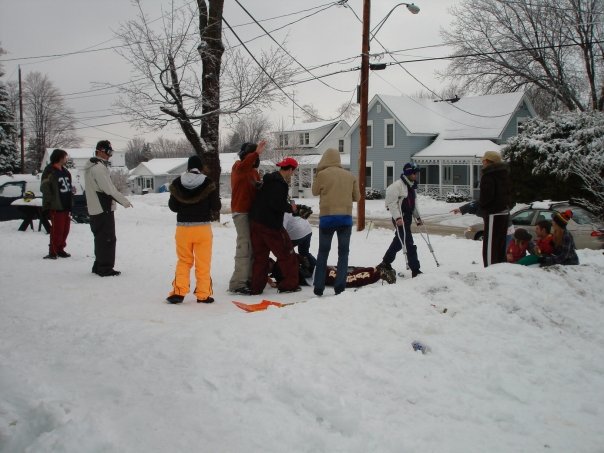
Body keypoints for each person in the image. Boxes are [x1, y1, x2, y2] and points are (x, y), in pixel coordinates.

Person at [166, 156, 221, 304]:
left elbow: (173, 207)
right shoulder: (208, 183)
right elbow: (216, 206)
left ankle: (178, 292)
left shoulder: (177, 182)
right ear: (201, 167)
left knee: (184, 260)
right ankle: (203, 295)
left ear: (188, 167)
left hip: (183, 228)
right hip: (202, 228)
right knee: (203, 262)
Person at [311, 148, 360, 296]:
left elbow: (314, 191)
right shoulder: (350, 176)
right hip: (345, 218)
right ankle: (340, 287)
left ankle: (319, 287)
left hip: (327, 218)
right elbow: (357, 197)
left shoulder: (322, 174)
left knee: (323, 252)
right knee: (343, 253)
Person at [249, 157, 300, 295]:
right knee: (287, 253)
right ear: (290, 169)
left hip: (256, 223)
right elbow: (276, 204)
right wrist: (291, 209)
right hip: (271, 226)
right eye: (293, 171)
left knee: (260, 257)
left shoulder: (268, 180)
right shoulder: (280, 184)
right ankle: (289, 285)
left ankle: (256, 287)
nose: (292, 174)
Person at [451, 150, 511, 267]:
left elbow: (485, 199)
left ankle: (490, 269)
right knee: (500, 244)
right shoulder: (505, 175)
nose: (482, 162)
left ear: (488, 161)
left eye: (483, 160)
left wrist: (480, 210)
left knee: (490, 245)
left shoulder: (488, 176)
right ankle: (501, 268)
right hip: (504, 213)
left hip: (493, 215)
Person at [84, 140, 133, 277]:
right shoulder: (98, 168)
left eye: (111, 152)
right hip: (102, 208)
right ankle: (105, 268)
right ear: (99, 150)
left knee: (100, 238)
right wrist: (124, 201)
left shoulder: (92, 166)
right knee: (107, 238)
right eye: (108, 152)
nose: (109, 155)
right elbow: (109, 189)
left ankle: (98, 265)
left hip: (96, 208)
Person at [228, 140, 266, 295]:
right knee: (244, 246)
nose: (255, 158)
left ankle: (249, 278)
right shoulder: (238, 166)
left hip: (252, 213)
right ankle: (237, 283)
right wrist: (256, 152)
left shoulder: (254, 172)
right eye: (252, 155)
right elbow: (245, 165)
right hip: (241, 212)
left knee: (253, 246)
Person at [377, 162, 423, 278]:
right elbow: (391, 204)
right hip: (399, 217)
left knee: (399, 241)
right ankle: (415, 270)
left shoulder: (411, 186)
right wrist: (397, 217)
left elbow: (413, 204)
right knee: (409, 243)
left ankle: (385, 262)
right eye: (414, 173)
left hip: (407, 217)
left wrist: (417, 217)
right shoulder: (397, 186)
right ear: (408, 173)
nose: (416, 175)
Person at [40, 149, 74, 259]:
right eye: (65, 157)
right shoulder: (50, 171)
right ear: (59, 157)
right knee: (57, 230)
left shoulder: (65, 171)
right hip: (56, 205)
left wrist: (71, 190)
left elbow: (66, 184)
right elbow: (45, 188)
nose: (66, 159)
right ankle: (53, 251)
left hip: (66, 204)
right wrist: (48, 203)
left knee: (65, 230)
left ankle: (60, 249)